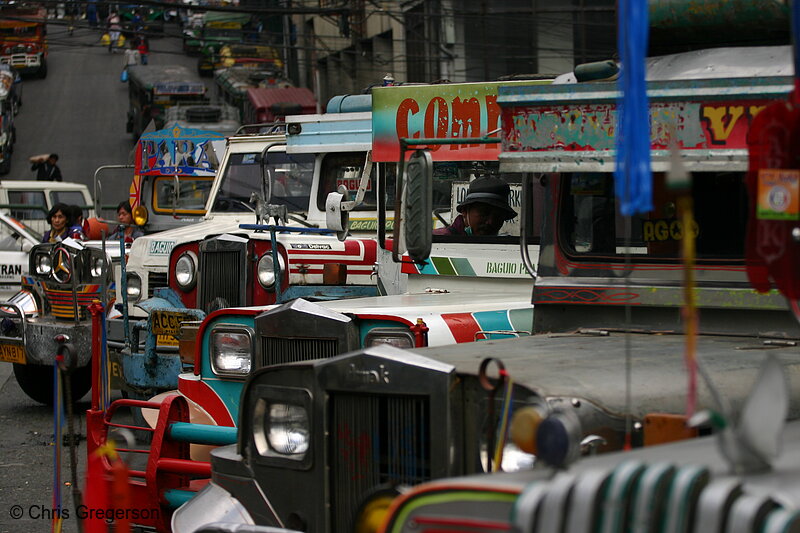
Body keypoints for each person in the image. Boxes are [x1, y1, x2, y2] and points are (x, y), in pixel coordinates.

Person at [434, 176, 517, 236]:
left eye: (498, 216)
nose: (490, 222)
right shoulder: (438, 241)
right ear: (465, 211)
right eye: (484, 214)